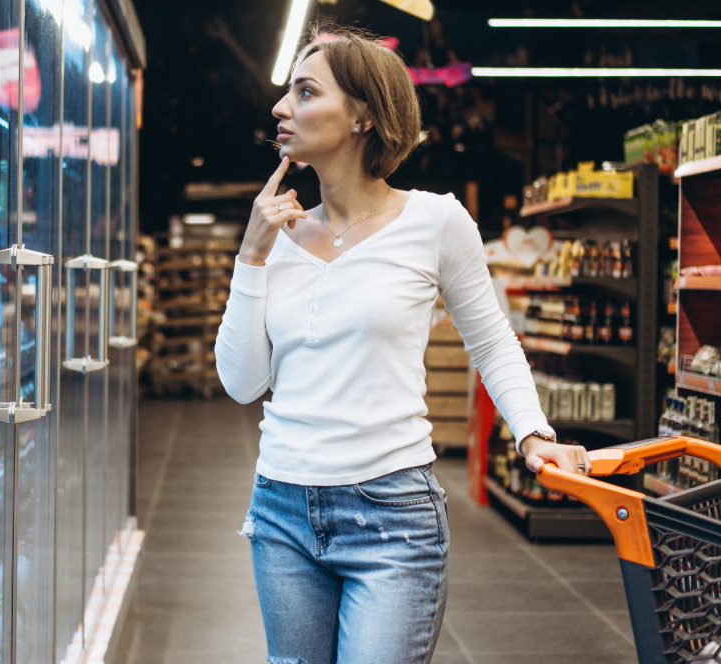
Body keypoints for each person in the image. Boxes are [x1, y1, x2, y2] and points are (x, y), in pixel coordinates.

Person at [215, 25, 591, 664]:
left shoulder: (435, 220)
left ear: (362, 115)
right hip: (281, 509)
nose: (281, 107)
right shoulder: (277, 234)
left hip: (392, 514)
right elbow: (243, 382)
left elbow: (492, 340)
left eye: (305, 92)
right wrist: (251, 255)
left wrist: (533, 434)